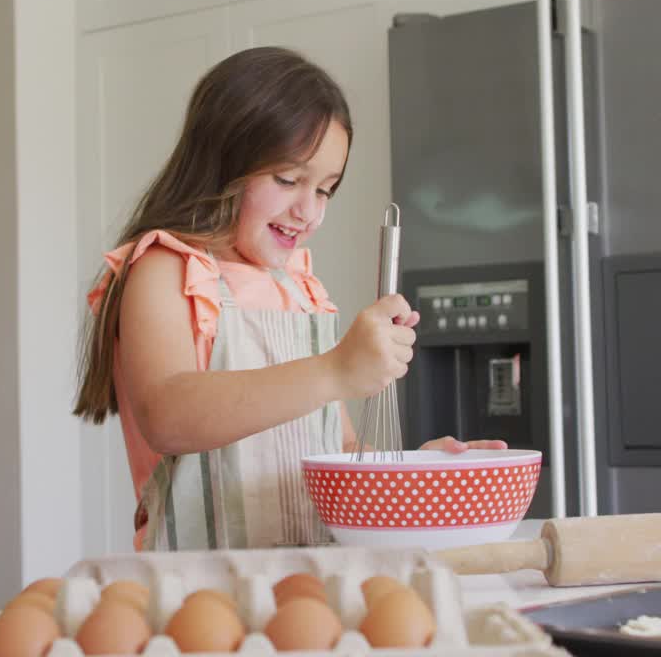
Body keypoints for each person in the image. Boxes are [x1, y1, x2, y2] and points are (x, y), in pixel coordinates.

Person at [75, 46, 506, 551]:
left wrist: (413, 473)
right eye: (287, 180)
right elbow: (168, 417)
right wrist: (334, 370)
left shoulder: (300, 287)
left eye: (325, 189)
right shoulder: (166, 268)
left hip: (312, 581)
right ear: (222, 162)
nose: (309, 212)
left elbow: (337, 447)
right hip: (200, 593)